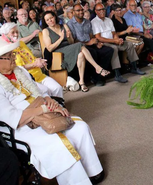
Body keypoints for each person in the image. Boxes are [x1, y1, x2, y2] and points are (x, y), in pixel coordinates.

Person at [0, 32, 105, 184]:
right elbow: (13, 119)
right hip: (21, 126)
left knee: (79, 126)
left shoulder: (20, 70)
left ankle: (92, 170)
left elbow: (39, 91)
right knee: (57, 142)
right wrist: (44, 110)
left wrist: (51, 102)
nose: (14, 58)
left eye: (13, 54)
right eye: (9, 56)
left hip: (42, 111)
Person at [42, 11, 109, 92]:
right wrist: (61, 39)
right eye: (47, 20)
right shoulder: (46, 31)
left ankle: (81, 82)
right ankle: (97, 67)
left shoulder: (64, 25)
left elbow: (71, 42)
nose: (50, 21)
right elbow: (49, 48)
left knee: (81, 54)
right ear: (45, 22)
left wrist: (69, 36)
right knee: (80, 45)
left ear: (55, 17)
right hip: (58, 53)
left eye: (51, 18)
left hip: (70, 48)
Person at [0, 23, 63, 98]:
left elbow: (31, 58)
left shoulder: (21, 43)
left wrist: (39, 60)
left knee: (57, 88)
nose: (16, 34)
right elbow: (18, 68)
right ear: (5, 34)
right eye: (13, 32)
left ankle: (61, 107)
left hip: (39, 74)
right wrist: (34, 64)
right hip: (27, 79)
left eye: (17, 32)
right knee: (45, 93)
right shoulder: (6, 52)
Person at [91, 3, 145, 83]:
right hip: (104, 42)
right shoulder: (94, 22)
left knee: (129, 44)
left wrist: (117, 39)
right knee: (114, 48)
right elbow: (98, 37)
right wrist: (114, 41)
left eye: (103, 9)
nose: (102, 11)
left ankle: (134, 67)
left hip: (113, 40)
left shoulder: (108, 20)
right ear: (96, 11)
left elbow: (114, 33)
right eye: (99, 10)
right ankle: (117, 74)